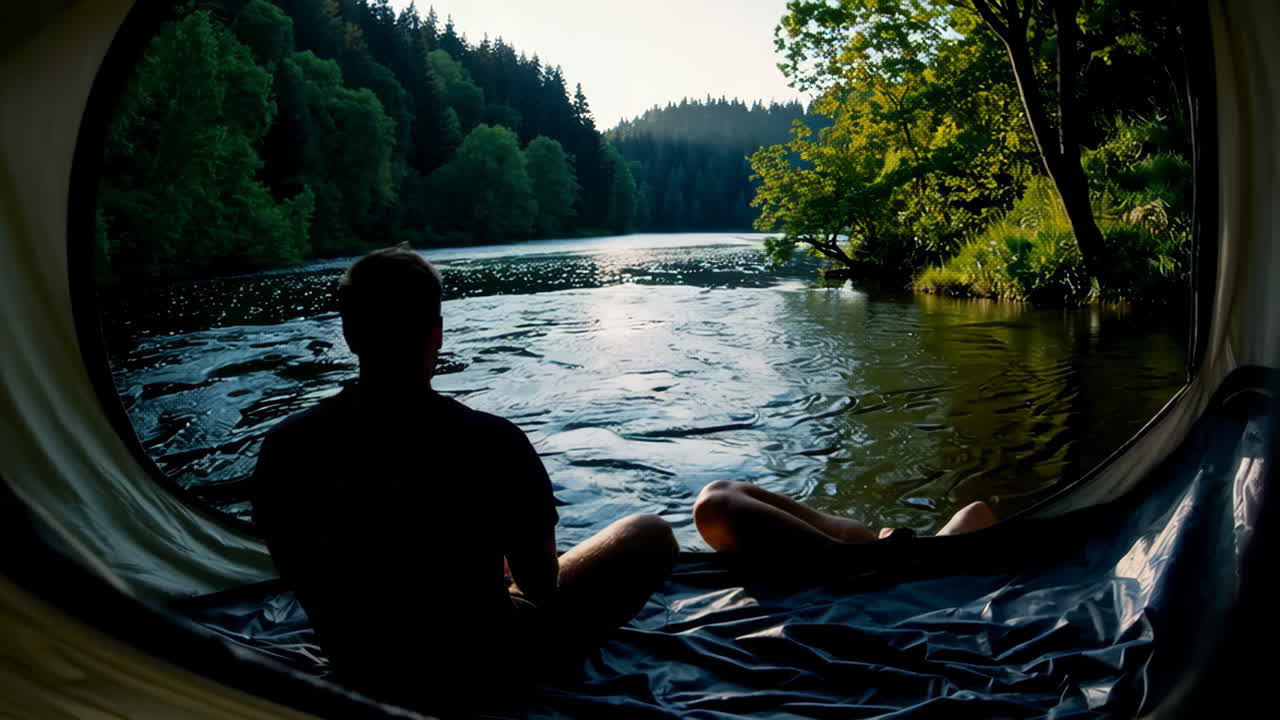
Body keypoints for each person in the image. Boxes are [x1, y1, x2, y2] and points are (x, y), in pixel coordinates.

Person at [251, 246, 678, 712]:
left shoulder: (285, 448)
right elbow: (540, 586)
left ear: (350, 333)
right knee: (646, 534)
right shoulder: (492, 442)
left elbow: (300, 569)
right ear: (436, 333)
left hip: (357, 662)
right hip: (487, 664)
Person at [692, 480, 996, 551]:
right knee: (716, 497)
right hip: (867, 555)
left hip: (856, 562)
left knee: (715, 503)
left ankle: (874, 557)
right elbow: (977, 512)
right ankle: (880, 554)